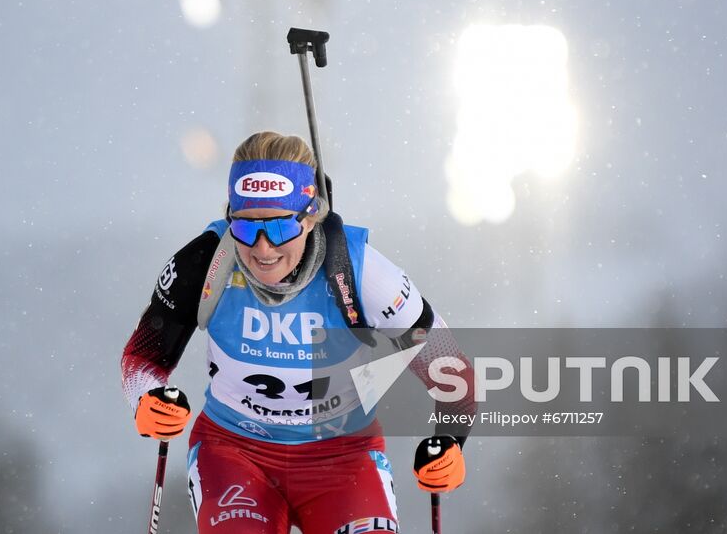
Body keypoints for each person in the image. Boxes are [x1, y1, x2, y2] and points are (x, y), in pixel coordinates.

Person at [121, 131, 475, 533]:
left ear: (310, 217)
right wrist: (147, 398)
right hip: (235, 453)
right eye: (245, 227)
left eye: (279, 229)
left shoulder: (360, 271)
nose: (262, 249)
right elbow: (144, 356)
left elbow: (452, 370)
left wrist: (450, 441)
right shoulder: (206, 261)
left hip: (342, 459)